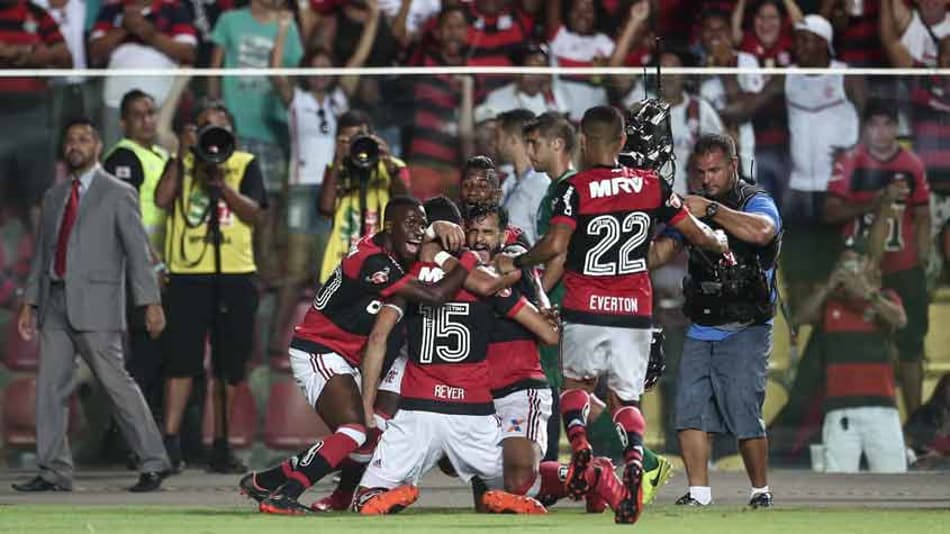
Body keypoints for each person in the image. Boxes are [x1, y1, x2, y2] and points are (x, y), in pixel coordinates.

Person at [494, 106, 727, 524]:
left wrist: (520, 262)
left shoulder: (575, 189)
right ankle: (636, 456)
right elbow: (692, 232)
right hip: (635, 310)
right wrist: (719, 243)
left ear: (583, 141)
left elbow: (554, 246)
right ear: (622, 142)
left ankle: (580, 442)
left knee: (576, 387)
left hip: (585, 306)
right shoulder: (652, 184)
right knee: (626, 399)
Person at [236, 198, 498, 515]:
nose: (417, 232)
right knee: (353, 430)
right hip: (321, 349)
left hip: (353, 356)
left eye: (422, 224)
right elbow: (435, 295)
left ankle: (268, 481)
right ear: (389, 227)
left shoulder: (401, 249)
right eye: (411, 224)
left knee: (367, 436)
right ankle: (283, 495)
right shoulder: (371, 261)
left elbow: (422, 239)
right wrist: (468, 259)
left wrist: (434, 231)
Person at [352, 219, 560, 515]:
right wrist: (522, 287)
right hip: (472, 412)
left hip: (418, 409)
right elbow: (549, 335)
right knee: (516, 482)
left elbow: (377, 338)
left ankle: (385, 493)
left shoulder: (411, 278)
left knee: (367, 495)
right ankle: (555, 484)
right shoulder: (486, 284)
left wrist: (367, 405)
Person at [13, 119, 170, 493]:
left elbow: (137, 253)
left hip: (98, 303)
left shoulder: (118, 193)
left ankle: (153, 461)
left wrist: (150, 302)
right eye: (70, 140)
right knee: (50, 388)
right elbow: (42, 254)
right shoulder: (54, 196)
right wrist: (29, 302)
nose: (75, 145)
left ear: (98, 146)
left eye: (83, 139)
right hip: (54, 301)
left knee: (117, 384)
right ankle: (53, 470)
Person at [466, 203, 627, 513]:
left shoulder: (506, 279)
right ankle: (589, 475)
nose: (479, 239)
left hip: (520, 389)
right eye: (473, 231)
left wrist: (537, 309)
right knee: (489, 502)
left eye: (487, 232)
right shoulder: (463, 275)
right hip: (480, 398)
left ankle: (595, 476)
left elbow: (550, 333)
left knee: (517, 485)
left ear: (502, 236)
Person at [653, 134, 781, 508]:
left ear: (733, 166)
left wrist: (708, 210)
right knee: (689, 409)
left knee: (744, 410)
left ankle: (760, 491)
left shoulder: (756, 200)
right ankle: (699, 492)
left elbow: (762, 231)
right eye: (701, 172)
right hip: (702, 324)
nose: (707, 178)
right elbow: (662, 251)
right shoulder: (690, 208)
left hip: (747, 325)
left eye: (715, 170)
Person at [154, 102, 268, 474]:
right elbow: (162, 200)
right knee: (181, 361)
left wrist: (223, 188)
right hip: (188, 273)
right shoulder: (184, 163)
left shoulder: (245, 163)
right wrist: (181, 154)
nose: (212, 137)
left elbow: (256, 214)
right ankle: (169, 444)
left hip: (235, 272)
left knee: (229, 366)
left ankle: (221, 443)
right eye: (205, 129)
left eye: (219, 129)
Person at [267, 7, 376, 359]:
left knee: (324, 268)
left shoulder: (339, 101)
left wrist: (373, 22)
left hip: (335, 189)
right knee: (295, 270)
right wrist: (284, 30)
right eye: (313, 66)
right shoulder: (296, 101)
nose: (319, 73)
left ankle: (319, 342)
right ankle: (273, 343)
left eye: (325, 67)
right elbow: (276, 72)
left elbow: (358, 61)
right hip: (301, 189)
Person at [824, 99, 932, 416]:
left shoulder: (912, 163)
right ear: (865, 129)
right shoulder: (850, 162)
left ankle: (916, 426)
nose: (881, 132)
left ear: (897, 129)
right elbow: (830, 212)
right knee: (862, 346)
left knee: (911, 349)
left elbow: (923, 214)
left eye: (888, 125)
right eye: (875, 125)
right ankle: (860, 413)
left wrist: (924, 255)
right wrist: (876, 201)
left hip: (905, 267)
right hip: (862, 269)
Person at [208, 0, 304, 284]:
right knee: (228, 200)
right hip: (233, 129)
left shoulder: (289, 27)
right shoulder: (230, 20)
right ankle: (230, 266)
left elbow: (296, 76)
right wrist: (215, 116)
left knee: (268, 207)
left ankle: (259, 271)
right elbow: (214, 70)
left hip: (272, 130)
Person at [795, 242, 909, 473]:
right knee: (838, 485)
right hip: (840, 410)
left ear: (868, 266)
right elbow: (799, 318)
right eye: (845, 264)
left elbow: (900, 320)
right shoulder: (830, 304)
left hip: (882, 409)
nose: (850, 270)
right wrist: (828, 287)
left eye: (855, 263)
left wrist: (868, 294)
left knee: (895, 481)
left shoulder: (885, 298)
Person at [102, 89, 171, 418]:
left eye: (151, 113)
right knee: (143, 354)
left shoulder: (158, 154)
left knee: (157, 354)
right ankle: (129, 438)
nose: (147, 120)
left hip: (162, 267)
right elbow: (122, 217)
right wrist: (151, 259)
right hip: (138, 269)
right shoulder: (122, 158)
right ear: (123, 122)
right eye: (138, 115)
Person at [87, 0, 197, 148]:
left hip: (160, 99)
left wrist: (150, 35)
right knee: (114, 151)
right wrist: (124, 29)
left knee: (159, 154)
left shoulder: (173, 8)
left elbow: (188, 52)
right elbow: (94, 51)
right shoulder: (112, 9)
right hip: (115, 99)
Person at [317, 110, 410, 283]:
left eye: (359, 137)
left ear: (372, 136)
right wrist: (338, 160)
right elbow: (325, 209)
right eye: (348, 140)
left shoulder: (394, 166)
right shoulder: (336, 169)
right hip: (342, 260)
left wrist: (388, 164)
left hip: (384, 260)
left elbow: (406, 206)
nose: (355, 144)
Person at [0, 0, 71, 222]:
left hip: (33, 111)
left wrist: (28, 54)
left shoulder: (36, 14)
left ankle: (43, 255)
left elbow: (65, 57)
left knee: (39, 195)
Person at [495, 109, 549, 245]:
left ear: (513, 140)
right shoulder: (509, 181)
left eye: (498, 137)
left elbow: (546, 241)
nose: (495, 144)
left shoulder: (541, 185)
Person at [476, 43, 568, 119]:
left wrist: (549, 96)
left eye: (542, 71)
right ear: (517, 73)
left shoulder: (556, 94)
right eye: (530, 72)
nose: (537, 77)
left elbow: (565, 123)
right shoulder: (498, 97)